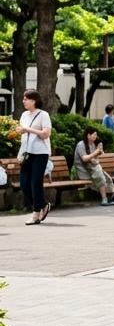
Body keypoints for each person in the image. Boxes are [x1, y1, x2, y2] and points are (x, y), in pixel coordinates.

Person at [17, 90, 53, 225]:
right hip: (27, 152)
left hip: (40, 152)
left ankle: (35, 213)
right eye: (23, 99)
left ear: (34, 100)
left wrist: (28, 129)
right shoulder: (24, 115)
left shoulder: (44, 115)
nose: (23, 101)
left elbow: (45, 134)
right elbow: (23, 133)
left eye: (26, 99)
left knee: (35, 182)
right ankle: (43, 205)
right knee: (24, 183)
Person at [74, 126, 114, 206]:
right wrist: (96, 152)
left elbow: (95, 159)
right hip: (84, 171)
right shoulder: (81, 145)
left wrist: (99, 153)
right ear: (88, 135)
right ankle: (104, 199)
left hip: (92, 168)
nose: (95, 136)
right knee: (100, 176)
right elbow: (85, 159)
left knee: (107, 178)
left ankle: (109, 198)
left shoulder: (93, 144)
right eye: (94, 134)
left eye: (96, 135)